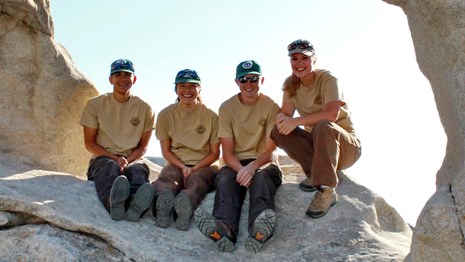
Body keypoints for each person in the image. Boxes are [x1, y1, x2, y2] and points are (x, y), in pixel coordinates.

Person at [194, 60, 282, 253]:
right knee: (225, 179)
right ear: (236, 82)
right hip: (236, 163)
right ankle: (223, 230)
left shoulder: (271, 106)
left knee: (262, 178)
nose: (248, 83)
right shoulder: (226, 108)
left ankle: (259, 231)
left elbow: (270, 150)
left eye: (253, 79)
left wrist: (252, 168)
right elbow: (227, 152)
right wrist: (241, 169)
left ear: (262, 80)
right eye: (244, 79)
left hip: (263, 162)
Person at [270, 39, 362, 219]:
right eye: (294, 59)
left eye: (304, 58)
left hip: (346, 148)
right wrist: (282, 118)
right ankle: (315, 174)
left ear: (314, 59)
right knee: (277, 131)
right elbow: (286, 116)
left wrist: (295, 121)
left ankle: (326, 190)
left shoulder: (328, 79)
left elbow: (331, 115)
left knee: (323, 125)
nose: (299, 63)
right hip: (319, 148)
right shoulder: (290, 85)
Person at [80, 58, 155, 222]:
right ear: (110, 79)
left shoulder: (145, 109)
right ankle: (114, 203)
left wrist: (127, 161)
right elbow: (90, 143)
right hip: (103, 158)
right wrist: (116, 158)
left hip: (133, 159)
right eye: (118, 74)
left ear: (134, 79)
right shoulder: (95, 105)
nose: (123, 79)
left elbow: (143, 147)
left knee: (137, 172)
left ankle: (136, 205)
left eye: (127, 75)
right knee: (110, 168)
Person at [151, 69, 220, 231]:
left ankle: (185, 204)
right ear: (176, 89)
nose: (187, 90)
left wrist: (194, 168)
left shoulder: (211, 116)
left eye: (192, 86)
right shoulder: (166, 115)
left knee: (197, 182)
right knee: (169, 178)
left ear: (199, 89)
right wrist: (182, 167)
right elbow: (166, 151)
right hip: (176, 162)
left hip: (204, 165)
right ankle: (163, 205)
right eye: (182, 86)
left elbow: (215, 153)